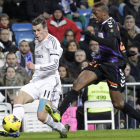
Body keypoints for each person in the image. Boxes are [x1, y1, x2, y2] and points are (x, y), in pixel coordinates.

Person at [45, 2, 140, 128]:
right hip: (101, 63)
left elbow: (111, 42)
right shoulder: (107, 24)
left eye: (96, 13)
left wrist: (92, 36)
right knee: (77, 84)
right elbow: (123, 31)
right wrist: (124, 50)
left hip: (113, 66)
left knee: (118, 104)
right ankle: (59, 113)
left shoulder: (109, 25)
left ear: (104, 13)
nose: (94, 16)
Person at [0, 16, 70, 138]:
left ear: (45, 29)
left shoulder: (53, 42)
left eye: (38, 30)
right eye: (34, 30)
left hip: (49, 84)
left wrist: (35, 67)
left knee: (41, 115)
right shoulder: (37, 41)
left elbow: (54, 66)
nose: (36, 33)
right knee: (18, 99)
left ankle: (62, 130)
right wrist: (35, 70)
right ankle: (14, 128)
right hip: (36, 80)